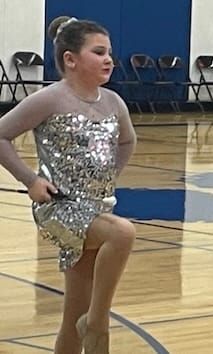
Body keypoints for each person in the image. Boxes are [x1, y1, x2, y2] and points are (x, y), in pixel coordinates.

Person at [0, 16, 137, 353]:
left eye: (110, 53)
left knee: (72, 313)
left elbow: (127, 141)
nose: (109, 59)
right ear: (70, 59)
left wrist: (109, 177)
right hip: (59, 206)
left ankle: (85, 323)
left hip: (97, 205)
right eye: (99, 52)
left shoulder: (113, 102)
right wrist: (30, 180)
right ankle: (98, 323)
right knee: (123, 233)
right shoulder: (50, 99)